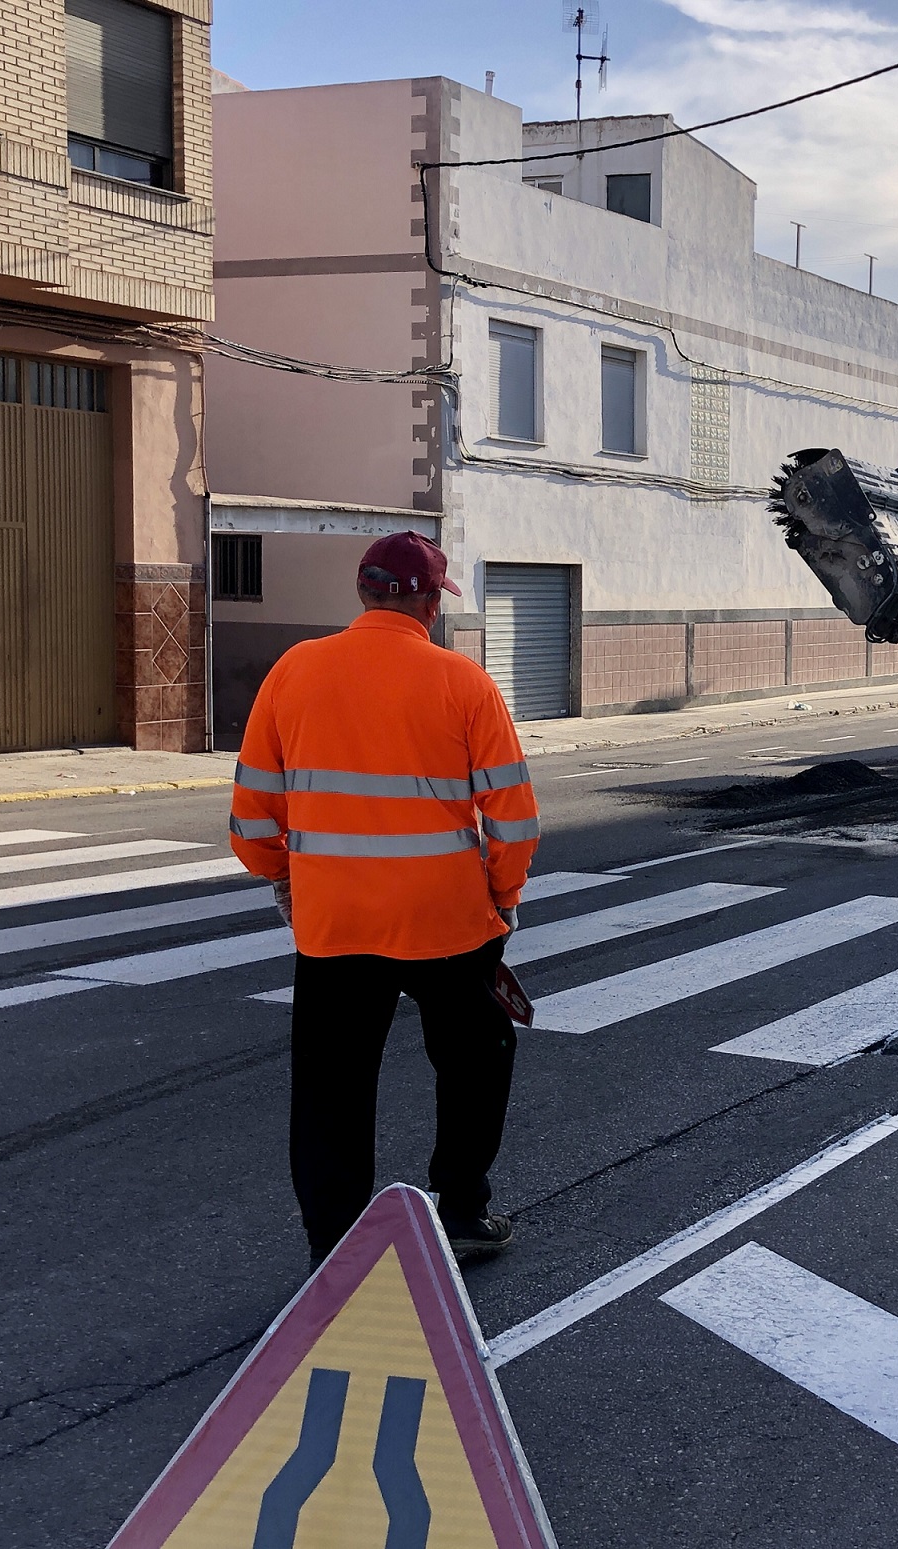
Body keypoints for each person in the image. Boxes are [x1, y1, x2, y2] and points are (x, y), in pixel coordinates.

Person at [229, 532, 540, 1266]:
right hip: (450, 924)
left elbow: (251, 815)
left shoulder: (293, 672)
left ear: (364, 592)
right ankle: (461, 1208)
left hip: (335, 926)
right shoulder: (464, 682)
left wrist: (283, 877)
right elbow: (513, 819)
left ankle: (333, 1244)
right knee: (476, 1062)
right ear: (430, 603)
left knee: (330, 1090)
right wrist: (502, 895)